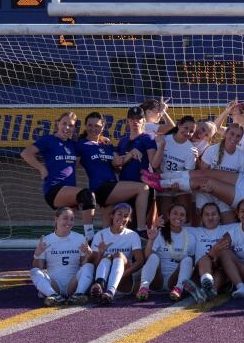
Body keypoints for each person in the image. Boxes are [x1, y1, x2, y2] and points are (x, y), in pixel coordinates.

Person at [144, 149, 244, 212]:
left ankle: (162, 185)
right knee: (207, 172)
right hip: (243, 182)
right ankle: (161, 176)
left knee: (207, 182)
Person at [21, 111, 96, 242]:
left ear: (74, 128)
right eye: (64, 123)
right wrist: (41, 168)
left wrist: (102, 139)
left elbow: (89, 143)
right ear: (57, 124)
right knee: (87, 195)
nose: (67, 128)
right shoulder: (48, 140)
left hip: (69, 191)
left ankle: (53, 248)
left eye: (71, 125)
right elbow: (26, 153)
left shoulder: (73, 144)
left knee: (65, 227)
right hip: (54, 190)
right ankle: (90, 238)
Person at [76, 112, 151, 233]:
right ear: (85, 126)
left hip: (113, 187)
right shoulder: (80, 145)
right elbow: (73, 164)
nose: (93, 128)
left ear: (103, 126)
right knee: (143, 188)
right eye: (90, 125)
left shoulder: (107, 144)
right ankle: (141, 228)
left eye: (97, 126)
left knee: (108, 230)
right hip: (100, 187)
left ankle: (101, 250)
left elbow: (117, 165)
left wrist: (130, 156)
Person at [137, 203, 203, 302]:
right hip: (157, 279)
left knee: (188, 259)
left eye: (182, 215)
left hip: (174, 279)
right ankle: (144, 288)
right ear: (168, 215)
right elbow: (147, 256)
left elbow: (192, 262)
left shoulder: (190, 237)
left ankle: (179, 289)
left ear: (185, 219)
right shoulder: (159, 233)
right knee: (154, 257)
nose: (178, 217)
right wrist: (150, 240)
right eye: (175, 213)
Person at [30, 207, 95, 306]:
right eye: (65, 218)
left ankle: (78, 294)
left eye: (72, 219)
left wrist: (89, 254)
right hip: (54, 284)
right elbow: (38, 267)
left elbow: (84, 264)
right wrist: (37, 254)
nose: (68, 222)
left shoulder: (80, 238)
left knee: (89, 267)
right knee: (34, 272)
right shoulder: (46, 240)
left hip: (73, 284)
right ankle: (53, 296)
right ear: (56, 219)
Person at [89, 202, 144, 304]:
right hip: (104, 277)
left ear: (129, 219)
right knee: (107, 256)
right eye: (119, 214)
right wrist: (101, 253)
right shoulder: (100, 235)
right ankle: (100, 285)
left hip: (124, 281)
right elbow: (95, 265)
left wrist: (121, 275)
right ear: (112, 215)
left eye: (126, 216)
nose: (122, 218)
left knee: (118, 254)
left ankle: (111, 290)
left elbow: (140, 261)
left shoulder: (132, 235)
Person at [194, 122, 244, 224]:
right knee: (200, 223)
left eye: (238, 136)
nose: (234, 138)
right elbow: (201, 174)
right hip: (206, 191)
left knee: (230, 223)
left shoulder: (242, 157)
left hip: (225, 195)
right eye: (232, 134)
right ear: (226, 133)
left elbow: (240, 183)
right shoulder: (211, 150)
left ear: (241, 138)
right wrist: (203, 187)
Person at [151, 115, 198, 222]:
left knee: (184, 219)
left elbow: (187, 173)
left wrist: (178, 185)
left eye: (191, 131)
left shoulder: (191, 150)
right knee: (165, 219)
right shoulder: (164, 139)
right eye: (185, 128)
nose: (188, 133)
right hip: (162, 183)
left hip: (180, 185)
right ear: (179, 125)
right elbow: (155, 165)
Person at [116, 107, 158, 224]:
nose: (135, 121)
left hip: (142, 186)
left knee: (140, 224)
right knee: (124, 224)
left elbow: (154, 163)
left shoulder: (147, 138)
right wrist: (130, 155)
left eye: (139, 119)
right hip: (124, 187)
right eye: (132, 119)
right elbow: (117, 166)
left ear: (144, 120)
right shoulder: (122, 141)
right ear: (128, 121)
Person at [190, 202, 234, 300]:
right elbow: (174, 227)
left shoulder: (229, 229)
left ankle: (208, 291)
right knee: (205, 258)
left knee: (222, 271)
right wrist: (159, 224)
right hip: (201, 269)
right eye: (206, 214)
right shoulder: (194, 231)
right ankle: (206, 280)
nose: (210, 218)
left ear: (219, 217)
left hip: (220, 266)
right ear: (201, 218)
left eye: (213, 214)